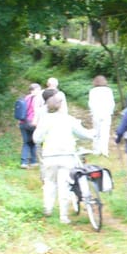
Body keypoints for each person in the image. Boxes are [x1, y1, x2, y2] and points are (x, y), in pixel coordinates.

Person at [33, 93, 93, 223]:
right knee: (64, 186)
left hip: (49, 156)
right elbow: (84, 134)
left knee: (49, 182)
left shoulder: (45, 120)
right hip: (67, 157)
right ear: (61, 106)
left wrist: (44, 139)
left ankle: (48, 208)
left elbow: (36, 138)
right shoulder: (69, 119)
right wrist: (94, 134)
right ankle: (63, 216)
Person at [88, 75, 115, 156]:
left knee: (96, 132)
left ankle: (96, 150)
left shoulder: (93, 91)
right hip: (106, 113)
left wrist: (92, 112)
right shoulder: (108, 90)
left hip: (96, 113)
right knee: (105, 132)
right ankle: (104, 151)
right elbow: (112, 103)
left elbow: (91, 103)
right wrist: (111, 112)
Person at [19, 83, 42, 169]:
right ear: (33, 90)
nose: (39, 91)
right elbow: (37, 111)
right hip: (32, 122)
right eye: (38, 90)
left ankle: (24, 162)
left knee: (26, 142)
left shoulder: (26, 98)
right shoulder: (37, 99)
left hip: (22, 122)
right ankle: (33, 161)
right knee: (34, 142)